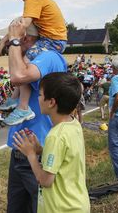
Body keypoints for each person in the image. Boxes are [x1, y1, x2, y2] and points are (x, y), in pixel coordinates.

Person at [5, 11, 67, 212]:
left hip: (37, 150)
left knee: (39, 208)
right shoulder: (30, 57)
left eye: (13, 37)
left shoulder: (48, 57)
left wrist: (14, 45)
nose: (8, 43)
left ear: (27, 37)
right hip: (21, 150)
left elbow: (18, 77)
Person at [0, 0, 67, 126]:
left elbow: (24, 24)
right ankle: (15, 99)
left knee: (24, 65)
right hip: (54, 39)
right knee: (24, 62)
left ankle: (23, 107)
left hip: (52, 41)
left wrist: (5, 41)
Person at [13, 72, 89, 213]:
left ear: (51, 102)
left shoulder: (55, 136)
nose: (38, 98)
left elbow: (45, 181)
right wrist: (41, 150)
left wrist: (30, 155)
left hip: (62, 208)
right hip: (77, 204)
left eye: (40, 95)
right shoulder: (74, 124)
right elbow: (65, 156)